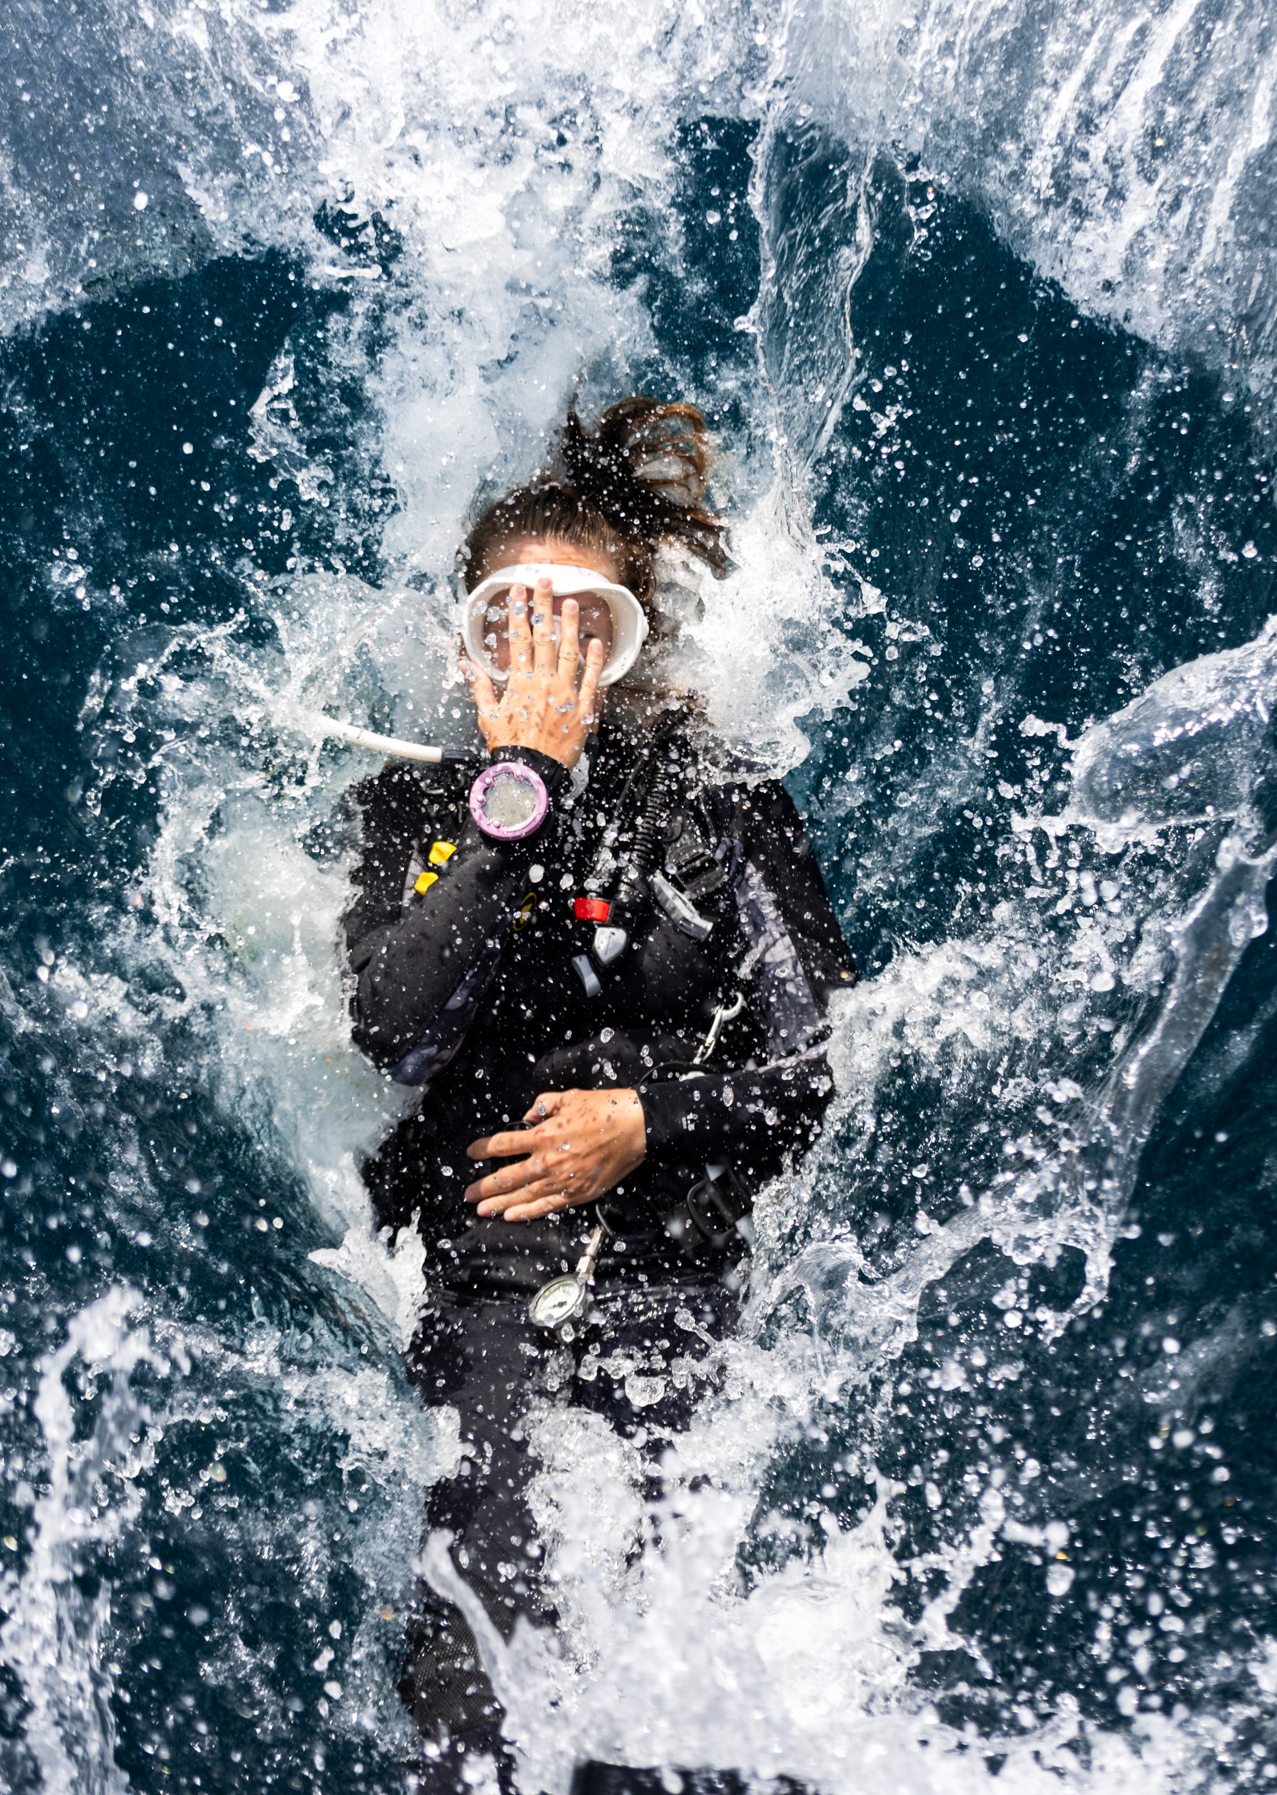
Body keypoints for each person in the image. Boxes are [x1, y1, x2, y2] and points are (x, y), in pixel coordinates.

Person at [334, 397, 855, 1793]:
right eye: (514, 625)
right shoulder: (413, 814)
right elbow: (396, 1032)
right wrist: (520, 789)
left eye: (586, 629)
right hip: (493, 1285)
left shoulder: (722, 802)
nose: (549, 661)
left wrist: (647, 1123)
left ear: (633, 649)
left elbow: (821, 1067)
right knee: (477, 1680)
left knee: (660, 1685)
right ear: (467, 647)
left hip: (678, 1275)